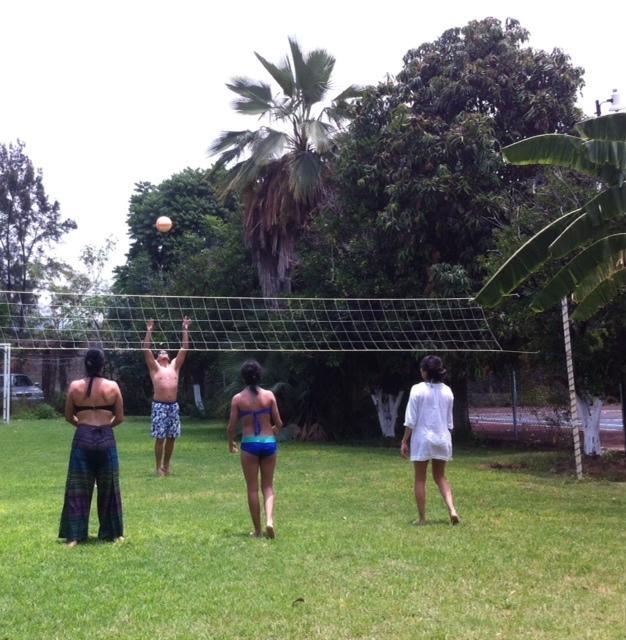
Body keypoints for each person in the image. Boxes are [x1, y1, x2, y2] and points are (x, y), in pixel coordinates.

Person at [59, 348, 125, 546]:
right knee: (110, 486)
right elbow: (120, 417)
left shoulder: (74, 386)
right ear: (102, 364)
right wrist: (104, 427)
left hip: (83, 437)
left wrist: (84, 426)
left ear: (85, 364)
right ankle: (114, 534)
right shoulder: (113, 386)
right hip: (106, 438)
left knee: (78, 487)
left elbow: (69, 416)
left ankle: (74, 536)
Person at [400, 355, 460, 526]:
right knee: (440, 476)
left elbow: (410, 420)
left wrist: (404, 441)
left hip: (422, 439)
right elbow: (449, 422)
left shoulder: (417, 389)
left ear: (425, 372)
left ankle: (422, 519)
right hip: (442, 438)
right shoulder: (447, 391)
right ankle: (452, 510)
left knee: (420, 479)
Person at [227, 360, 283, 538]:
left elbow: (231, 427)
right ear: (259, 376)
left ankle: (258, 530)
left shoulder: (238, 399)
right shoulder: (269, 396)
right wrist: (273, 430)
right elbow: (279, 423)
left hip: (250, 444)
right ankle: (270, 521)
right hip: (268, 443)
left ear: (243, 377)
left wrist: (231, 442)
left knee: (252, 488)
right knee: (268, 486)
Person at [143, 317, 190, 476]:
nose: (163, 353)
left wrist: (185, 329)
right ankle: (157, 467)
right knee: (160, 438)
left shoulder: (174, 366)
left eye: (165, 352)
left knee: (171, 438)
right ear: (157, 358)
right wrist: (149, 331)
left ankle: (166, 465)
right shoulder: (155, 368)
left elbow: (184, 348)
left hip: (173, 407)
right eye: (160, 352)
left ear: (169, 357)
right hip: (160, 406)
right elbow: (146, 350)